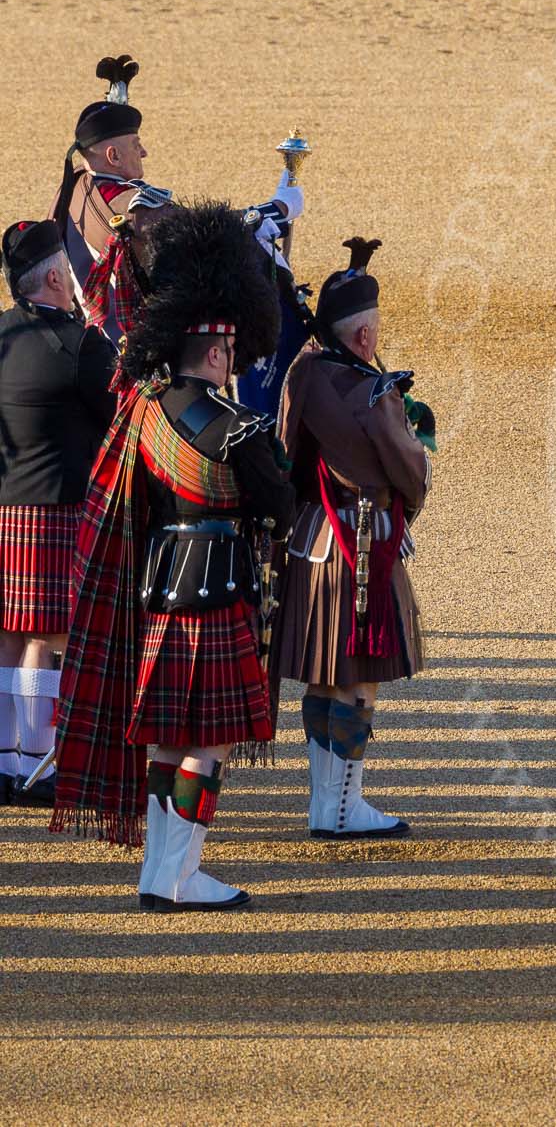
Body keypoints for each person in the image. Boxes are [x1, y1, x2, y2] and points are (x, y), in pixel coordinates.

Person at [48, 201, 294, 912]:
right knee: (206, 747)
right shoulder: (238, 429)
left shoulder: (145, 410)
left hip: (157, 595)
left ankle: (159, 868)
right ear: (217, 349)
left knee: (164, 742)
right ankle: (184, 874)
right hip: (217, 598)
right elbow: (277, 507)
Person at [271, 239, 432, 840]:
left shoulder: (304, 370)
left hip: (310, 539)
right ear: (363, 337)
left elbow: (287, 454)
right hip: (365, 544)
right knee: (357, 678)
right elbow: (411, 477)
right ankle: (343, 809)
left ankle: (324, 802)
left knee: (322, 674)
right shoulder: (373, 392)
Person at [49, 55, 306, 372]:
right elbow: (202, 231)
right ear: (113, 156)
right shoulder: (133, 204)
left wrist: (114, 105)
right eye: (136, 144)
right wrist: (277, 208)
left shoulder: (72, 188)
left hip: (86, 344)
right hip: (133, 353)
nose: (144, 152)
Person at [0, 219, 118, 807]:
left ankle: (4, 760)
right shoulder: (82, 345)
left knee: (6, 635)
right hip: (55, 509)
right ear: (52, 274)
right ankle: (36, 765)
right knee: (45, 639)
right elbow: (118, 419)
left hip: (2, 507)